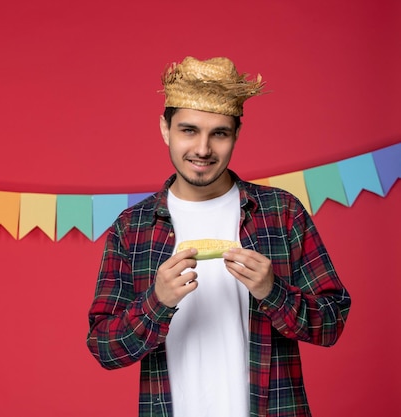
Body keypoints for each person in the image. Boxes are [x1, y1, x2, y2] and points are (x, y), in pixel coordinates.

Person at [86, 56, 351, 417]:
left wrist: (272, 292)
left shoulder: (281, 212)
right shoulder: (132, 227)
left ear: (237, 135)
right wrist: (157, 301)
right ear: (165, 129)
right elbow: (104, 348)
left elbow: (331, 324)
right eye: (189, 130)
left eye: (219, 133)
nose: (203, 149)